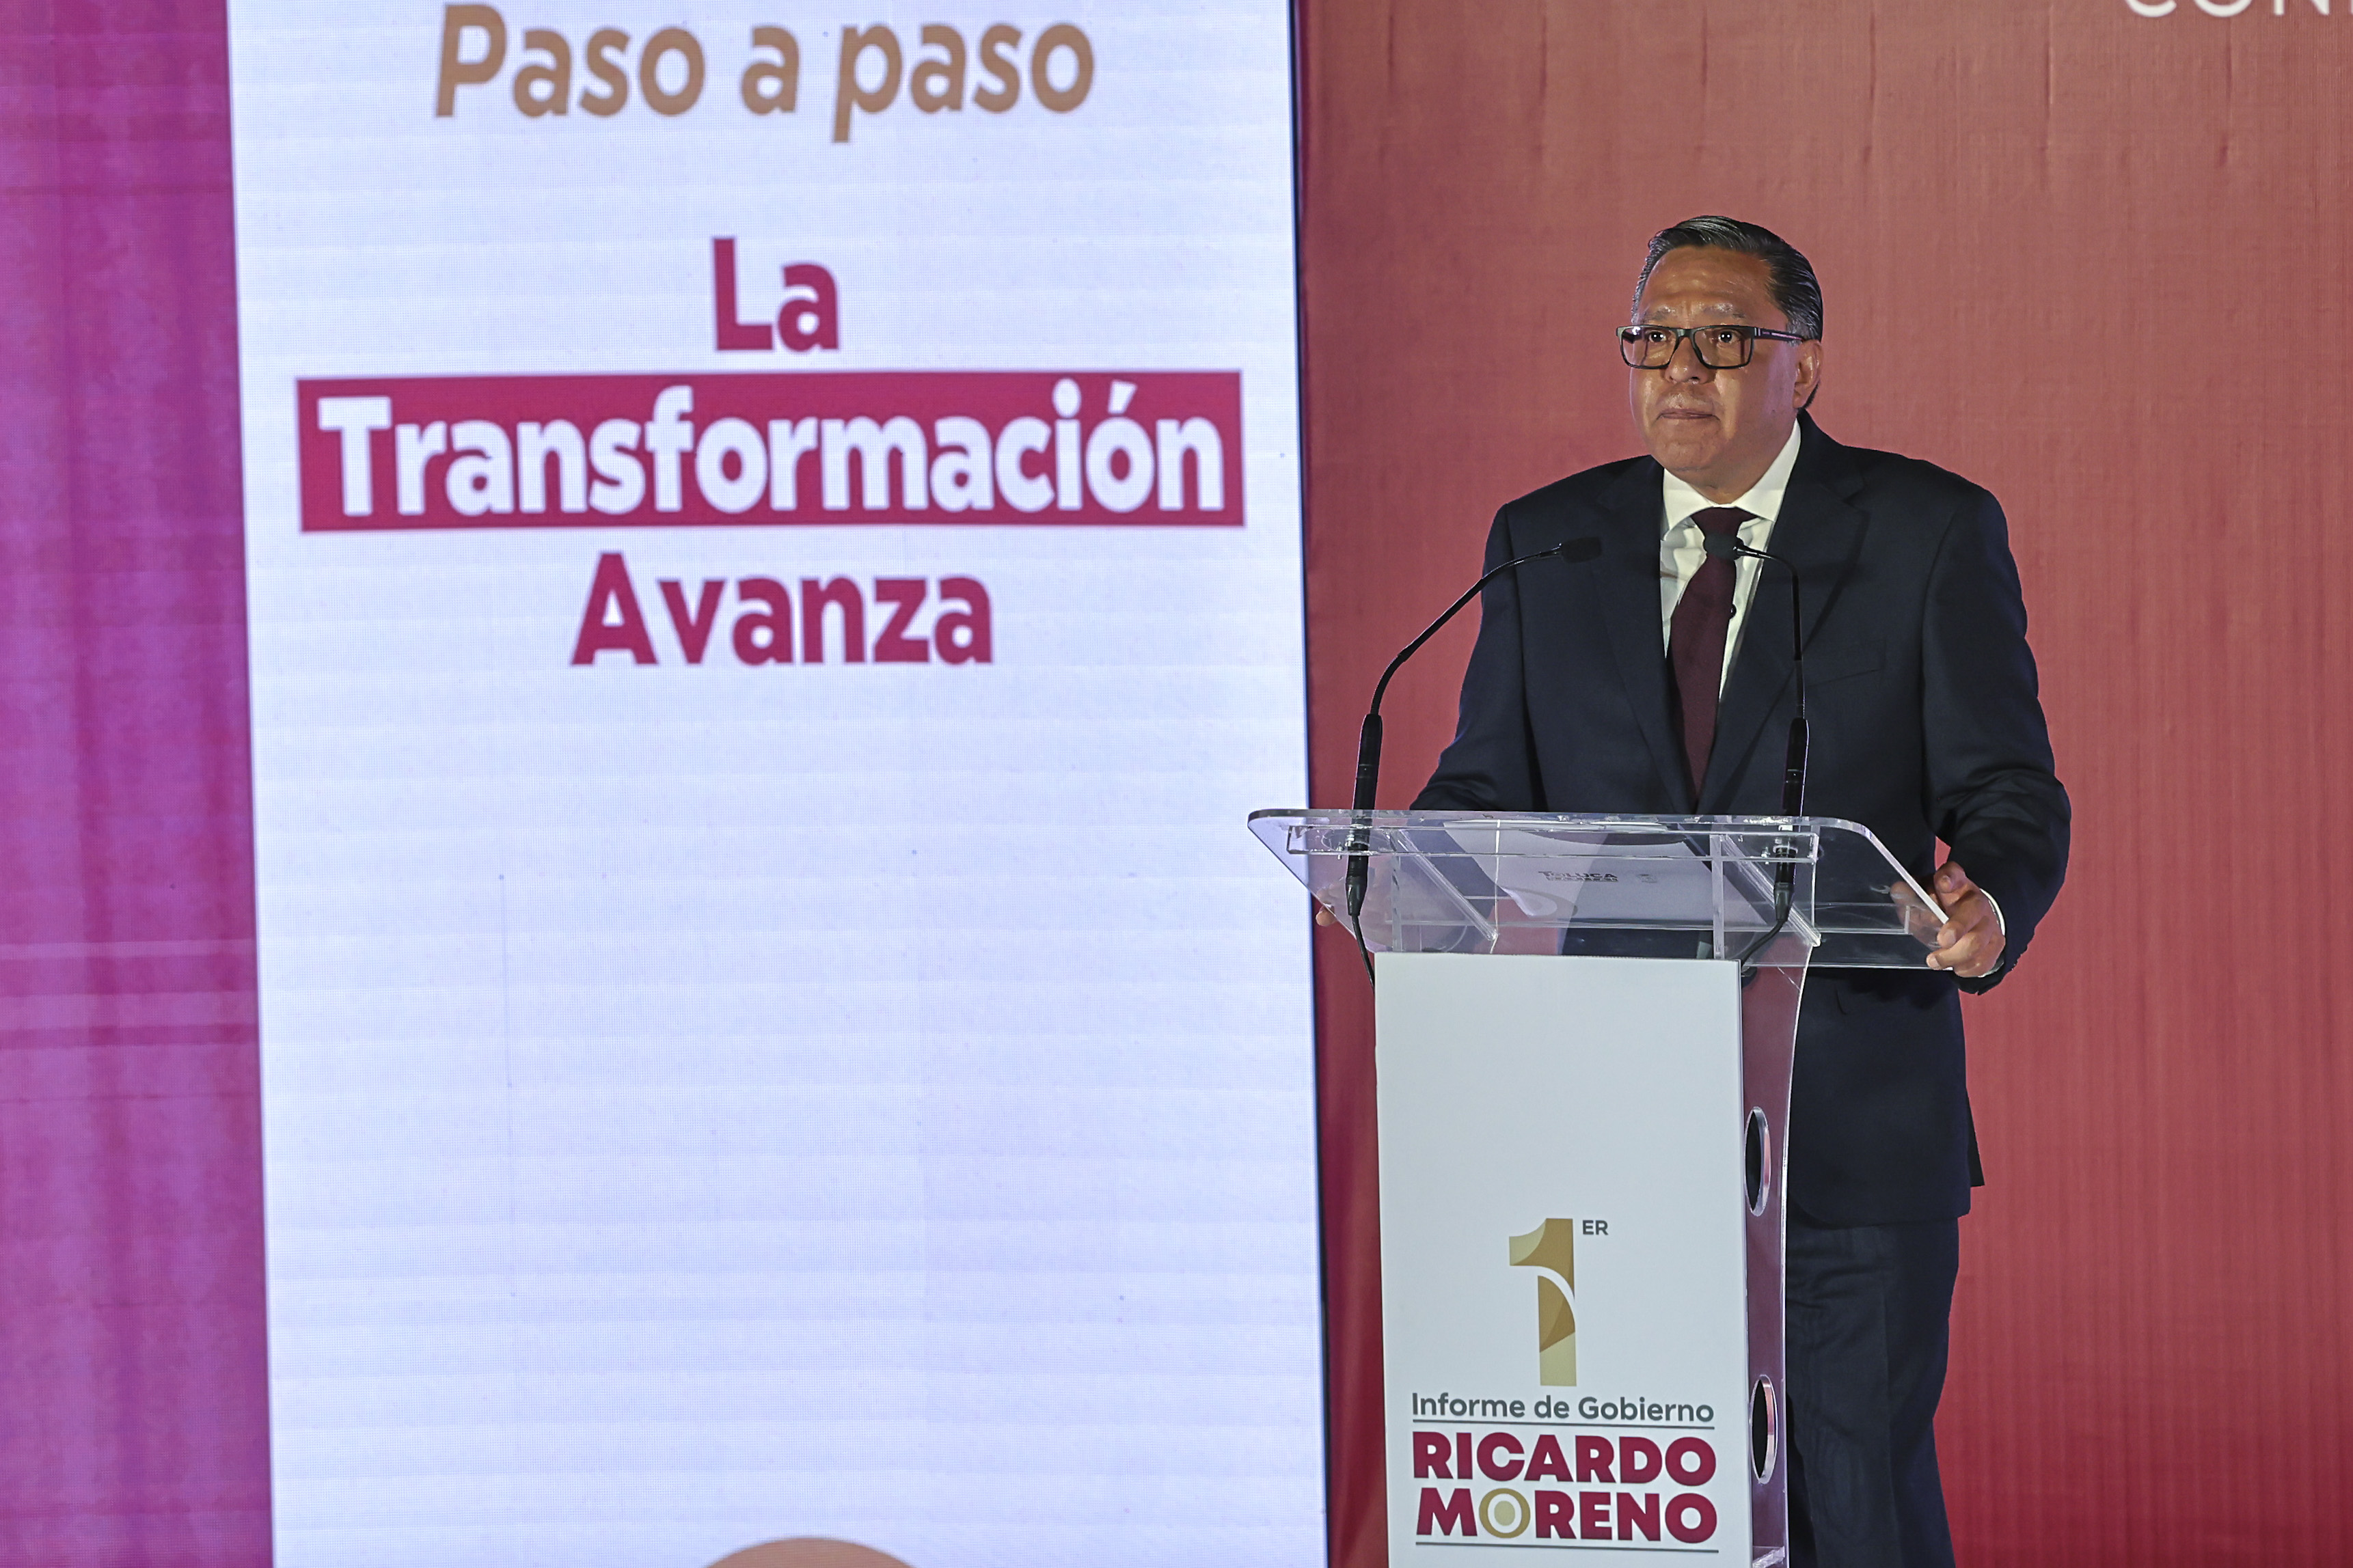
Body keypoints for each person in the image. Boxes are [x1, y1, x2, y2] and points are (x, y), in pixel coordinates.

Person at [1411, 217, 2070, 1567]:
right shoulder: (1550, 541)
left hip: (1846, 1127)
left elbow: (2012, 788)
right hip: (1613, 1141)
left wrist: (1988, 903)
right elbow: (1480, 790)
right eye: (1656, 338)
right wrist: (1401, 868)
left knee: (1854, 1503)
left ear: (1803, 368)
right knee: (1652, 1515)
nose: (1681, 367)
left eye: (1723, 337)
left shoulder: (1925, 532)